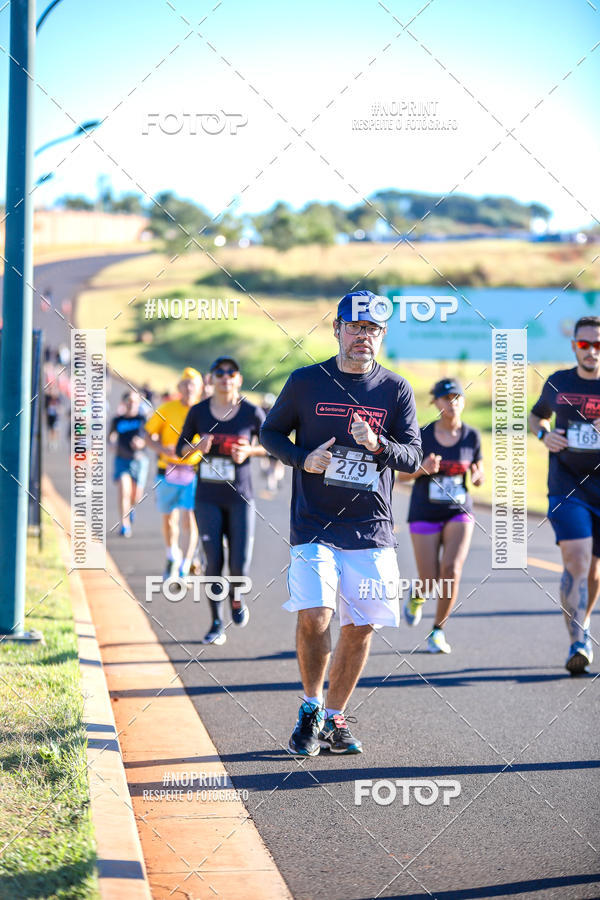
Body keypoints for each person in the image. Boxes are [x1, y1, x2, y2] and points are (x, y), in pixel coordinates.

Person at [260, 290, 422, 756]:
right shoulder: (306, 381)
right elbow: (270, 433)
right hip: (314, 522)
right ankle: (310, 707)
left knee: (362, 624)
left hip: (372, 528)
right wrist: (301, 458)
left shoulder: (396, 390)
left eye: (372, 330)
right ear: (337, 330)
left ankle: (335, 717)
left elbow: (412, 457)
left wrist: (378, 445)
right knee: (316, 614)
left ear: (382, 336)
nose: (362, 337)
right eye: (354, 327)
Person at [176, 357, 267, 645]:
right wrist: (196, 447)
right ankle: (216, 622)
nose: (226, 377)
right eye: (220, 373)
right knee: (213, 562)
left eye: (231, 373)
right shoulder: (199, 411)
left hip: (240, 497)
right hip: (207, 498)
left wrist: (249, 452)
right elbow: (180, 449)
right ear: (211, 379)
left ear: (239, 379)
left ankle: (237, 598)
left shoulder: (251, 412)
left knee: (239, 564)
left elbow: (272, 446)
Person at [529, 315, 600, 674]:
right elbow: (536, 417)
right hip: (567, 485)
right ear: (575, 346)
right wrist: (545, 436)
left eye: (598, 344)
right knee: (577, 559)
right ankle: (578, 642)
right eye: (585, 344)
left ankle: (583, 626)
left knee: (594, 571)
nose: (591, 351)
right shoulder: (559, 383)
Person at [396, 378, 484, 653]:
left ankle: (438, 631)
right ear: (434, 403)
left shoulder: (472, 435)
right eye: (445, 398)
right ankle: (417, 597)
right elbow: (402, 476)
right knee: (430, 578)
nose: (452, 403)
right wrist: (424, 469)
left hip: (459, 510)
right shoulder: (422, 435)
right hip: (425, 510)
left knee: (451, 570)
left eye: (457, 397)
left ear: (463, 401)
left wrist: (479, 474)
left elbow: (477, 467)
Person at [145, 368, 203, 580]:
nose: (189, 388)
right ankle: (172, 556)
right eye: (185, 384)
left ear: (200, 389)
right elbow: (147, 433)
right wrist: (161, 449)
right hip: (167, 470)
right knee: (169, 519)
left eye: (193, 384)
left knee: (189, 521)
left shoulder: (204, 411)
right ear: (179, 388)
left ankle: (186, 565)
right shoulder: (167, 408)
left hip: (192, 472)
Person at [109, 391, 149, 537]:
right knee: (123, 491)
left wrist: (142, 443)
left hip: (139, 461)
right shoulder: (117, 420)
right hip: (122, 460)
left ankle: (131, 509)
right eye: (128, 401)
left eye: (134, 401)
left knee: (135, 496)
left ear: (138, 403)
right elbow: (111, 436)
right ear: (124, 403)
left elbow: (152, 437)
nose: (131, 403)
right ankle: (124, 524)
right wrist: (112, 443)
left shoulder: (143, 419)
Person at [260, 393, 285, 492]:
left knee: (273, 464)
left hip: (274, 442)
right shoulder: (279, 413)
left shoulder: (266, 413)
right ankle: (274, 481)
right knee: (276, 463)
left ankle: (273, 482)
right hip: (277, 442)